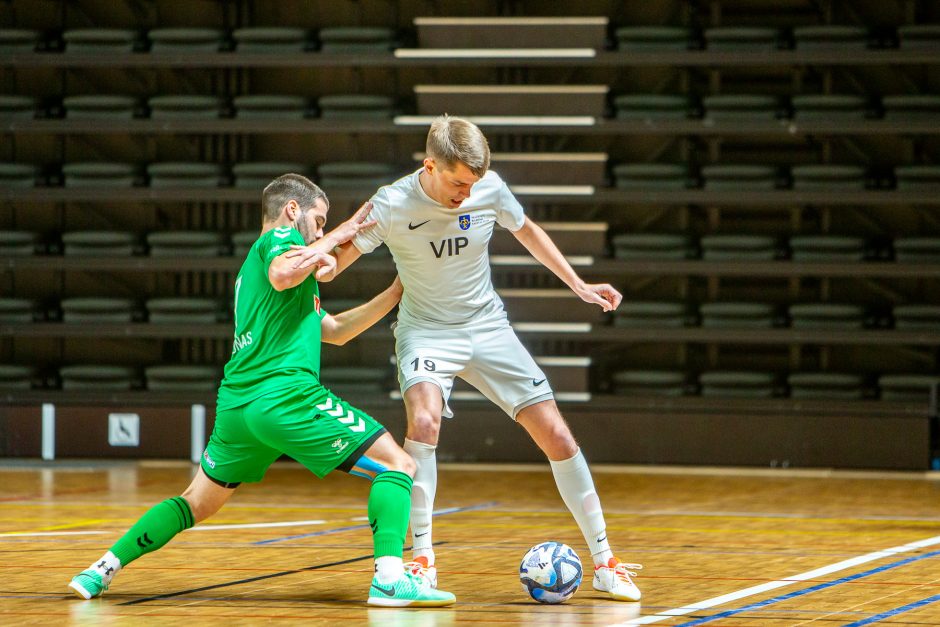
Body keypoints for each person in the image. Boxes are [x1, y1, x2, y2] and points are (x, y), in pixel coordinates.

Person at [68, 173, 456, 608]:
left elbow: (336, 331)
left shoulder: (267, 270)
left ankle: (100, 569)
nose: (324, 230)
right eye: (321, 220)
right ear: (293, 211)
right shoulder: (279, 242)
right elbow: (283, 272)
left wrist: (397, 292)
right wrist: (344, 234)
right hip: (285, 396)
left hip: (238, 407)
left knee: (195, 502)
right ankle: (389, 578)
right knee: (398, 465)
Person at [317, 115, 643, 601]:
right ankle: (422, 561)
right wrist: (320, 257)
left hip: (488, 327)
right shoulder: (391, 203)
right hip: (425, 331)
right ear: (430, 165)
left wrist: (578, 284)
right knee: (423, 422)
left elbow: (528, 231)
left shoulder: (489, 188)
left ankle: (605, 561)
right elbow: (331, 270)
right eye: (457, 183)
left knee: (556, 433)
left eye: (473, 183)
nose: (466, 193)